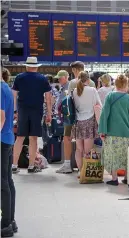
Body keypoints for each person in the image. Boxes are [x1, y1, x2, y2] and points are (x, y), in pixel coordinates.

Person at [12, 57, 52, 174]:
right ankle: (31, 166)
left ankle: (14, 165)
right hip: (37, 111)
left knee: (19, 137)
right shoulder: (42, 79)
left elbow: (13, 95)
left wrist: (15, 111)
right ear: (36, 66)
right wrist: (49, 113)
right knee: (33, 138)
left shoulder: (19, 77)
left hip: (22, 111)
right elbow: (48, 98)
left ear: (26, 66)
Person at [98, 74, 129, 186]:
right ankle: (126, 178)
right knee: (127, 156)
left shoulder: (110, 96)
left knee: (113, 155)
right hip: (127, 133)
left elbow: (104, 114)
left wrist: (102, 130)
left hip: (112, 132)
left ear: (115, 84)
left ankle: (114, 178)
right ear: (126, 85)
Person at [71, 71, 101, 174]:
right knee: (88, 151)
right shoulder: (92, 90)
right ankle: (86, 172)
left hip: (78, 122)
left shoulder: (74, 91)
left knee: (79, 149)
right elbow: (99, 105)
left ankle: (80, 171)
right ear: (88, 80)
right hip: (90, 122)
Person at [1, 72, 18, 237]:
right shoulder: (5, 87)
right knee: (7, 181)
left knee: (2, 183)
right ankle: (10, 221)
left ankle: (5, 223)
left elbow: (1, 117)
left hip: (1, 139)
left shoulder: (0, 89)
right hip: (7, 138)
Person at [54, 70, 74, 174]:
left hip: (69, 117)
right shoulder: (64, 86)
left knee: (67, 139)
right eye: (58, 78)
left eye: (60, 78)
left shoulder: (69, 86)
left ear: (66, 77)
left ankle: (67, 165)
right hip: (67, 117)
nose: (59, 80)